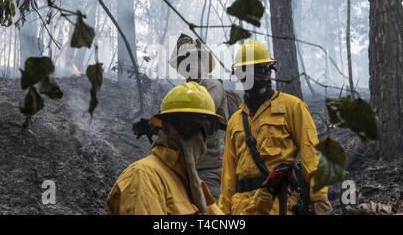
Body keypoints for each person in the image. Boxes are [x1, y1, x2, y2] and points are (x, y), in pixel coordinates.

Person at [107, 82, 272, 215]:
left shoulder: (194, 183)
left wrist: (264, 199)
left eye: (205, 128)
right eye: (188, 125)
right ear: (165, 128)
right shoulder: (143, 178)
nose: (197, 137)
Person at [218, 40, 332, 215]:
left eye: (258, 71)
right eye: (244, 73)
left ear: (267, 71)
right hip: (242, 207)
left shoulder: (292, 107)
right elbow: (228, 175)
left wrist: (319, 198)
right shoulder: (235, 120)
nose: (250, 78)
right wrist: (223, 213)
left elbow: (311, 152)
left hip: (280, 203)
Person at [167, 34, 241, 199]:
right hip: (189, 167)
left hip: (211, 169)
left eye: (193, 58)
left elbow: (199, 112)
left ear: (202, 62)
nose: (189, 64)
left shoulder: (211, 84)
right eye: (183, 61)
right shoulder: (186, 91)